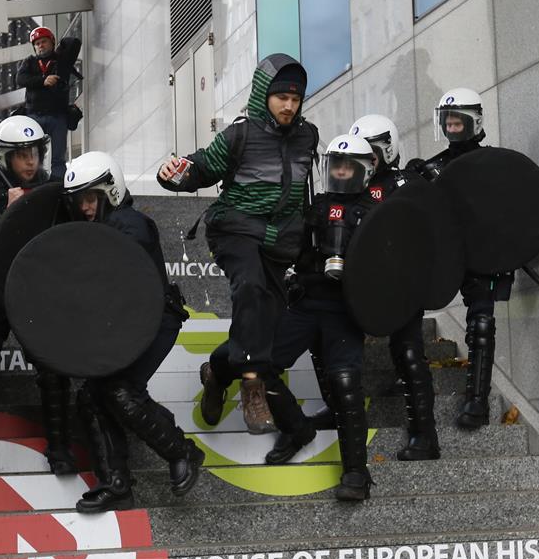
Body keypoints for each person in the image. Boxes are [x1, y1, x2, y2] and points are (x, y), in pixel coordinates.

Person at [156, 54, 318, 435]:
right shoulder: (239, 134)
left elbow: (303, 192)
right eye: (282, 98)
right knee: (249, 286)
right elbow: (202, 167)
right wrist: (173, 175)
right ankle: (251, 386)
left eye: (295, 100)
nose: (289, 106)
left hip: (279, 239)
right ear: (264, 95)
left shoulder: (307, 136)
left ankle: (216, 371)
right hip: (236, 230)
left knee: (269, 326)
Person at [64, 151, 201, 513]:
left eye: (90, 198)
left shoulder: (131, 224)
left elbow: (117, 281)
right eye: (79, 201)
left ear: (109, 191)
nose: (85, 208)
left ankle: (182, 451)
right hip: (123, 325)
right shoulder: (99, 228)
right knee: (93, 397)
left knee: (120, 392)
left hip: (154, 321)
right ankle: (116, 485)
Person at [0, 115, 77, 478]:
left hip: (41, 291)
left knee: (53, 366)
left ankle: (59, 447)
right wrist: (7, 211)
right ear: (6, 157)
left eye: (35, 152)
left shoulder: (56, 189)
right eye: (21, 154)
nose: (30, 161)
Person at [259, 135, 377, 501]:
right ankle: (296, 429)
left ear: (364, 170)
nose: (340, 172)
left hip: (346, 311)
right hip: (308, 302)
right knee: (260, 365)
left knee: (345, 383)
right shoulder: (315, 207)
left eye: (348, 167)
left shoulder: (377, 213)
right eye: (336, 165)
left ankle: (357, 472)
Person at [407, 88, 510, 430]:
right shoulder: (433, 166)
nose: (451, 127)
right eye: (447, 121)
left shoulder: (495, 162)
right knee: (405, 308)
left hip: (483, 253)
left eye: (457, 121)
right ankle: (407, 372)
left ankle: (477, 401)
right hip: (445, 255)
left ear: (473, 122)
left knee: (481, 320)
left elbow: (510, 207)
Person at [350, 114, 439, 460]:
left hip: (404, 278)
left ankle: (425, 435)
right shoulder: (357, 181)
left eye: (370, 154)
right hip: (366, 278)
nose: (366, 162)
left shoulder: (407, 182)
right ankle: (339, 409)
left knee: (409, 349)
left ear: (386, 149)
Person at [15, 26, 82, 181]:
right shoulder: (29, 62)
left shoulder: (61, 61)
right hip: (34, 115)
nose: (40, 46)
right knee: (32, 155)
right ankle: (35, 180)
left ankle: (58, 183)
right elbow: (20, 79)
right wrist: (43, 81)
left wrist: (59, 50)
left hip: (57, 116)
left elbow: (74, 42)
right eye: (37, 43)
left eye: (44, 41)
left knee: (58, 157)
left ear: (52, 42)